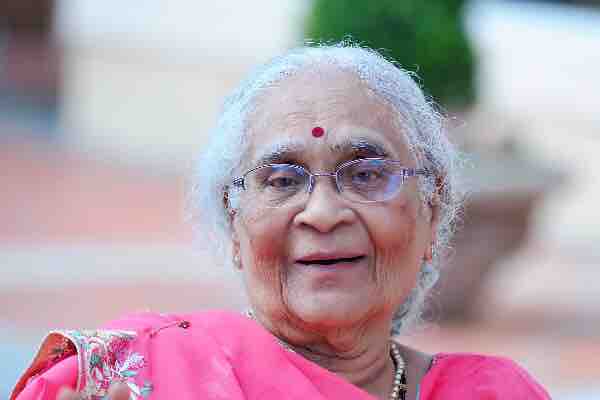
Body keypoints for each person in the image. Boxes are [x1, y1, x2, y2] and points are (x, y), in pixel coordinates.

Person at [10, 44, 551, 400]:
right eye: (283, 180)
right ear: (235, 224)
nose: (323, 213)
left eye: (366, 174)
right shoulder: (133, 378)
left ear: (430, 211)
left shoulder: (493, 392)